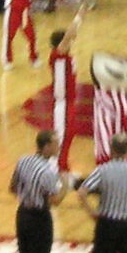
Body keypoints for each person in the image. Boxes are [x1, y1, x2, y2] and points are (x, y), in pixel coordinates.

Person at [10, 129, 65, 253]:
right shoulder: (48, 172)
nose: (58, 146)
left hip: (22, 214)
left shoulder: (23, 160)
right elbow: (55, 200)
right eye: (55, 143)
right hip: (39, 219)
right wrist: (65, 184)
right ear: (46, 146)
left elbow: (12, 188)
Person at [46, 30, 77, 171]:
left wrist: (80, 16)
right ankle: (54, 170)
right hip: (62, 103)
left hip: (68, 102)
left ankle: (63, 167)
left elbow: (73, 32)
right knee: (61, 137)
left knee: (68, 135)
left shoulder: (65, 57)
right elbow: (66, 40)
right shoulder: (57, 56)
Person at [2, 0, 37, 68]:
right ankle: (7, 60)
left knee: (31, 35)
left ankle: (33, 57)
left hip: (25, 11)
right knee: (9, 35)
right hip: (12, 11)